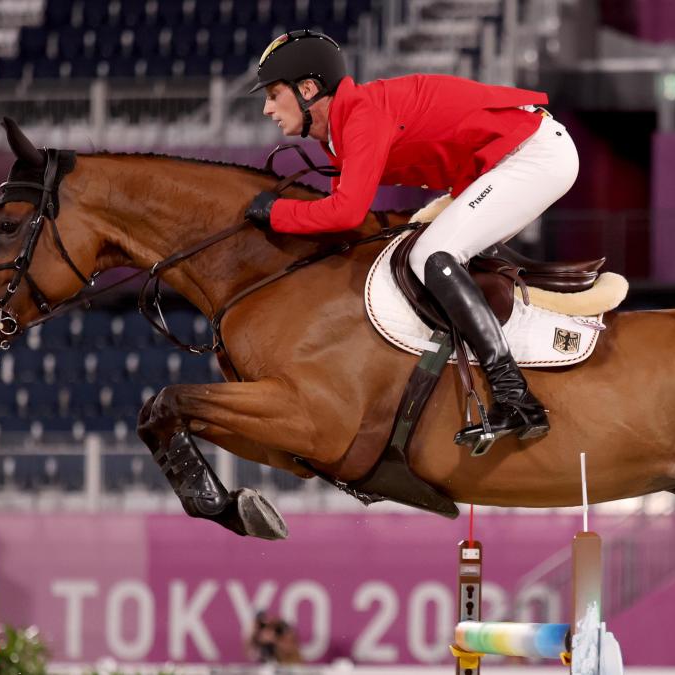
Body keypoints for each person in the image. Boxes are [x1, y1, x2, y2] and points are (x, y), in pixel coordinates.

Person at [243, 30, 580, 450]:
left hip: (532, 155)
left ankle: (514, 397)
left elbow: (346, 214)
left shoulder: (361, 117)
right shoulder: (348, 124)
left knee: (433, 254)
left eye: (274, 95)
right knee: (430, 251)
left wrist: (274, 213)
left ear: (308, 89)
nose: (267, 108)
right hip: (512, 160)